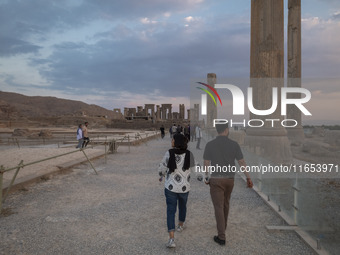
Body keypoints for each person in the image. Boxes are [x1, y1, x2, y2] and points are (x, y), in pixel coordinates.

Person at [203, 123, 253, 246]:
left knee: (218, 207)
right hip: (230, 179)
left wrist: (206, 176)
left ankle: (221, 236)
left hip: (216, 179)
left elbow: (206, 162)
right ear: (227, 130)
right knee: (225, 204)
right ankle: (223, 227)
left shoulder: (210, 144)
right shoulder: (234, 144)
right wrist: (248, 177)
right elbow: (241, 162)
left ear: (217, 130)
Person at [158, 134, 196, 248]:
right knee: (183, 206)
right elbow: (196, 169)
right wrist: (205, 178)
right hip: (184, 188)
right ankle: (180, 225)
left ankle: (171, 239)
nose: (172, 140)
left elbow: (162, 168)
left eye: (173, 139)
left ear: (176, 141)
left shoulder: (169, 153)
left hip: (170, 188)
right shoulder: (189, 154)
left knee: (170, 211)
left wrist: (161, 175)